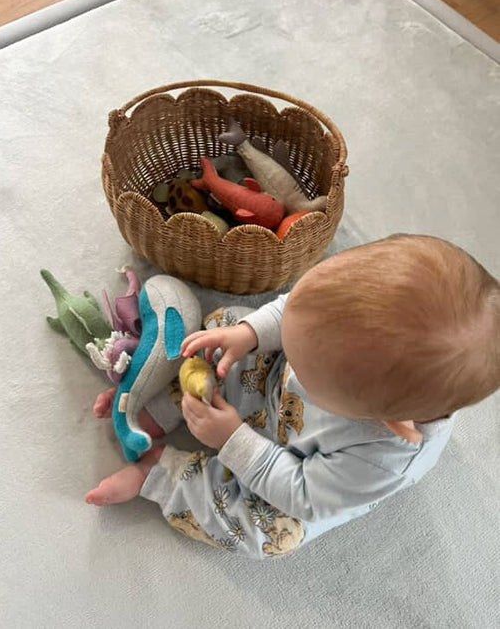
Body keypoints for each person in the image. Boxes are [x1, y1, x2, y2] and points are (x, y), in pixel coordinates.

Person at [86, 234, 500, 558]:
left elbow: (302, 494)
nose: (296, 362)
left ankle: (160, 475)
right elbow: (292, 310)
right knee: (226, 328)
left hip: (293, 469)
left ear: (382, 419)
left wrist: (232, 440)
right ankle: (166, 401)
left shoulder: (381, 461)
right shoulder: (339, 314)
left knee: (270, 534)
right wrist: (249, 334)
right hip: (267, 388)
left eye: (307, 367)